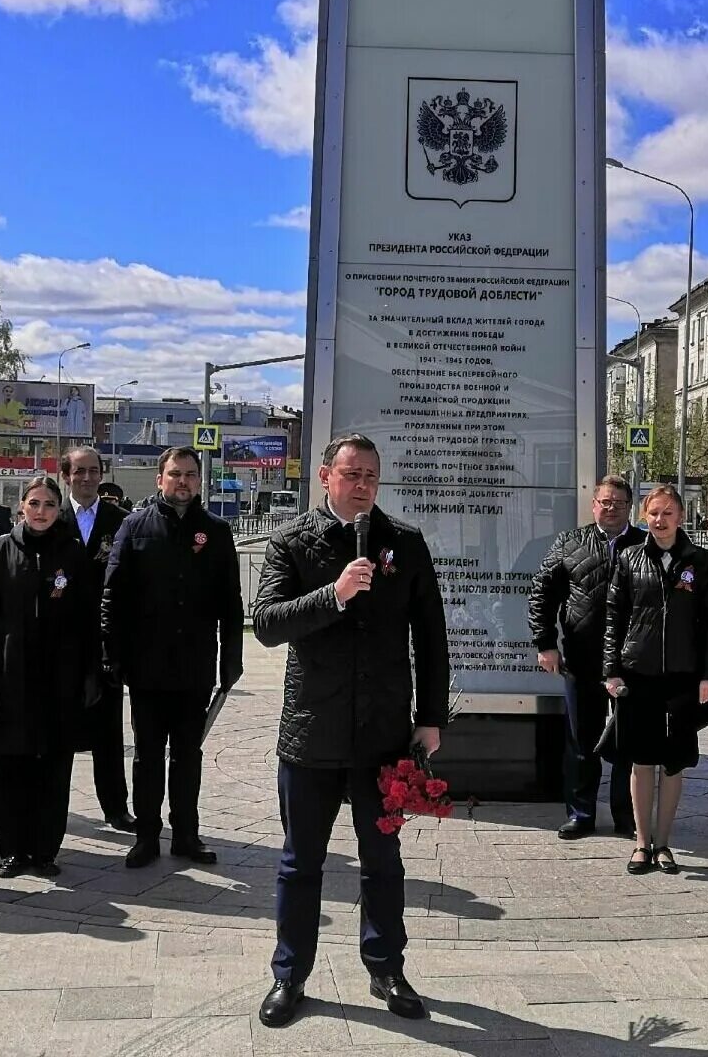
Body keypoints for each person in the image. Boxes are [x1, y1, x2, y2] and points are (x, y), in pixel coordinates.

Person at [251, 434, 448, 1028]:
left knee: (382, 860)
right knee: (300, 862)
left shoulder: (404, 544)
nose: (361, 484)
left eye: (370, 476)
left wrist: (431, 718)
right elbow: (265, 624)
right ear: (325, 477)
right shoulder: (292, 540)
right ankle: (291, 973)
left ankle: (386, 966)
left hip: (384, 733)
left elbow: (431, 638)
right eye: (350, 474)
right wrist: (333, 594)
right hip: (312, 729)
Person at [100, 447, 243, 868]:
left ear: (200, 481)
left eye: (190, 475)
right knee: (147, 757)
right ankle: (147, 836)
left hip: (194, 667)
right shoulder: (135, 525)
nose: (183, 482)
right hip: (146, 668)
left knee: (187, 756)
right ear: (160, 479)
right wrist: (112, 655)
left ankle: (186, 835)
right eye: (175, 474)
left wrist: (230, 659)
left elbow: (231, 603)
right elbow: (113, 597)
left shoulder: (216, 531)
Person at [0, 476, 96, 878]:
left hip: (59, 678)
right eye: (34, 503)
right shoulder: (0, 550)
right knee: (9, 766)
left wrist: (90, 672)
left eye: (48, 504)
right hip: (10, 677)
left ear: (58, 510)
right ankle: (12, 849)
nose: (41, 511)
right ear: (21, 507)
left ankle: (45, 850)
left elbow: (87, 619)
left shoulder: (73, 553)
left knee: (53, 769)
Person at [601, 485, 708, 877]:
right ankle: (641, 842)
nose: (660, 520)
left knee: (673, 763)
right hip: (639, 672)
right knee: (642, 759)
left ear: (681, 517)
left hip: (684, 676)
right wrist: (611, 669)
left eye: (668, 513)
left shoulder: (700, 561)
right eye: (653, 513)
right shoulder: (629, 558)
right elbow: (614, 617)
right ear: (644, 516)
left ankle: (664, 842)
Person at [528, 474, 645, 840]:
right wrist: (546, 643)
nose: (611, 509)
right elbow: (541, 594)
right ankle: (581, 813)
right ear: (594, 504)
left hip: (633, 662)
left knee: (630, 741)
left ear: (631, 508)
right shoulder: (571, 542)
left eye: (619, 503)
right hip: (582, 657)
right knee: (582, 741)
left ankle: (627, 816)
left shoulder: (644, 545)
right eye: (605, 502)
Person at [60, 445, 133, 833]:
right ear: (66, 475)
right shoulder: (52, 519)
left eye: (93, 471)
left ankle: (116, 807)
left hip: (105, 641)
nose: (87, 478)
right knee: (60, 731)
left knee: (108, 731)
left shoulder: (120, 520)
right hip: (61, 643)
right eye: (79, 471)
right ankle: (54, 806)